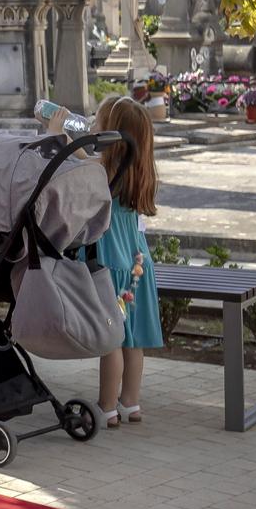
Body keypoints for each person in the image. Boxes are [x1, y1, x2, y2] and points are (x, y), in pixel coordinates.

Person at [90, 96, 162, 427]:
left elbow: (78, 164)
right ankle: (130, 402)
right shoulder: (140, 173)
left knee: (112, 340)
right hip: (137, 261)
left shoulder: (102, 170)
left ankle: (105, 407)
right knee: (132, 340)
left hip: (111, 260)